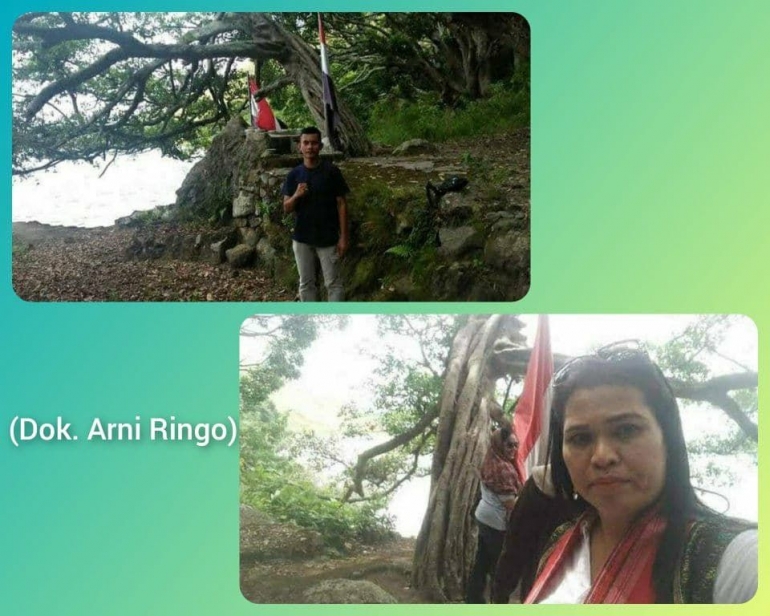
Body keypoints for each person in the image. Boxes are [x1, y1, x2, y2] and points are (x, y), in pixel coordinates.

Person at [521, 343, 757, 604]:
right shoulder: (561, 541)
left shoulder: (729, 558)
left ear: (668, 439)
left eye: (626, 431)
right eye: (580, 438)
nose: (601, 456)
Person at [282, 126, 349, 301]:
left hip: (328, 239)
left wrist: (343, 237)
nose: (310, 147)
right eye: (306, 143)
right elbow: (286, 208)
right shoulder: (293, 175)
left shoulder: (331, 172)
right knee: (306, 283)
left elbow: (341, 203)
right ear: (300, 146)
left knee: (333, 284)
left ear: (320, 146)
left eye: (313, 143)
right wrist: (296, 195)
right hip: (302, 239)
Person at [465, 426, 522, 603]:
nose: (514, 450)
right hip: (496, 523)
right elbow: (510, 504)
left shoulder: (490, 459)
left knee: (481, 561)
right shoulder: (503, 469)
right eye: (509, 445)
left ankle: (473, 599)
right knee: (500, 567)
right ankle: (499, 603)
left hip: (483, 517)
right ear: (499, 445)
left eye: (516, 445)